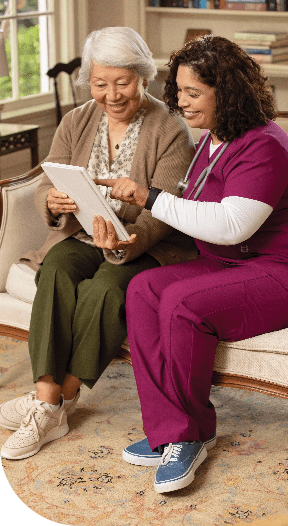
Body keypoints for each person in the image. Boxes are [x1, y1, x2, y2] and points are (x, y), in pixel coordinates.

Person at [94, 35, 288, 493]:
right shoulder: (212, 140)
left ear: (229, 92)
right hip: (224, 264)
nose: (181, 103)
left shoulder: (266, 145)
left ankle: (192, 435)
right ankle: (168, 432)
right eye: (179, 91)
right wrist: (132, 235)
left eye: (193, 93)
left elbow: (231, 225)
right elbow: (193, 213)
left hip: (276, 269)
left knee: (183, 302)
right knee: (142, 288)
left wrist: (147, 195)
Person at [0, 27, 196, 461]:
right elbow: (47, 179)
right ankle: (47, 400)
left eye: (122, 82)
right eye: (100, 83)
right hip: (81, 232)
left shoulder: (170, 129)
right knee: (54, 270)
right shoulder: (77, 120)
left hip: (143, 243)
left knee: (104, 289)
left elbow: (164, 208)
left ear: (144, 77)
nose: (110, 95)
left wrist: (124, 242)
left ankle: (58, 403)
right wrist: (50, 200)